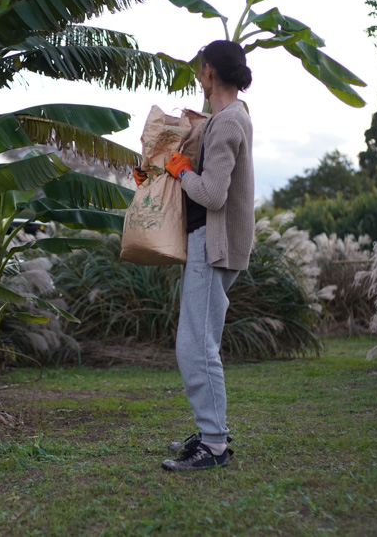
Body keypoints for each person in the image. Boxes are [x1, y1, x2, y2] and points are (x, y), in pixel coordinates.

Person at [134, 40, 255, 471]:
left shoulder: (226, 124)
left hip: (215, 245)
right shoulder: (228, 118)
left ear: (208, 73)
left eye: (200, 72)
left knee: (195, 347)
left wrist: (180, 170)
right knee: (201, 343)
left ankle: (214, 444)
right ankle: (211, 432)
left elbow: (213, 194)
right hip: (213, 244)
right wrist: (161, 173)